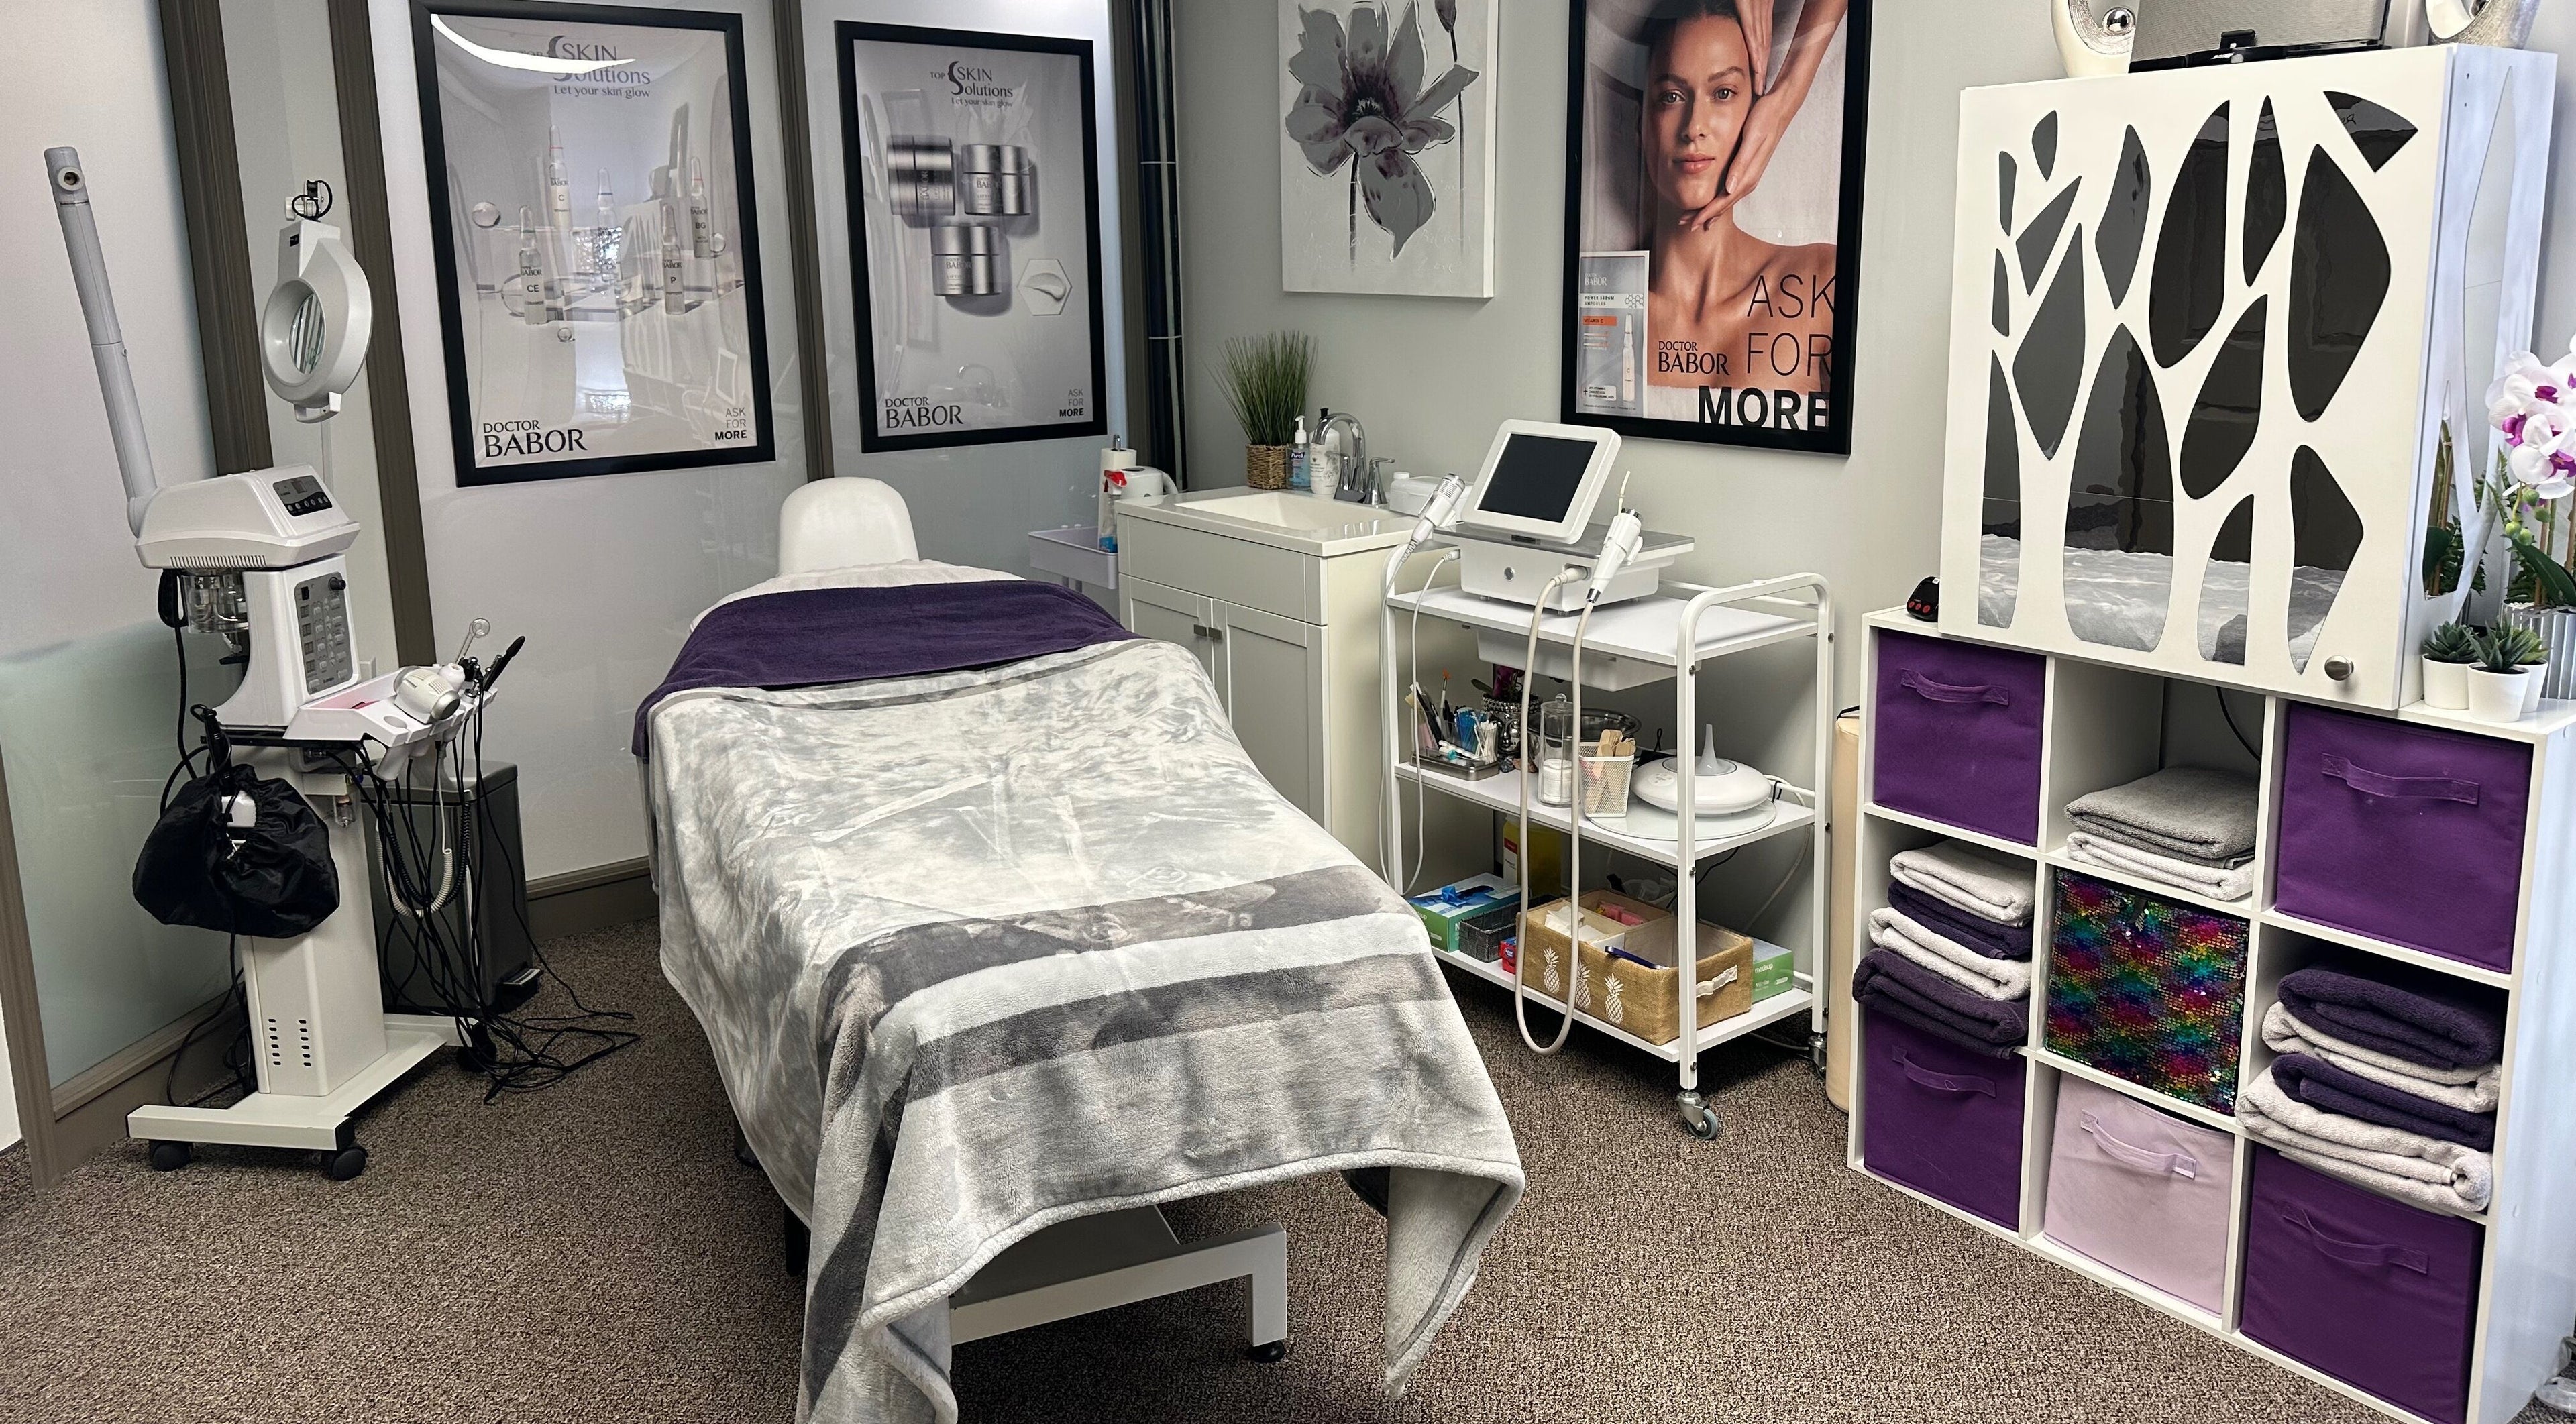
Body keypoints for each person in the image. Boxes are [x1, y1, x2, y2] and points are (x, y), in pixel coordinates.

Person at [1638, 0, 1848, 425]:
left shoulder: (1824, 281)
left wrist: (1788, 94)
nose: (1694, 126)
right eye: (1671, 97)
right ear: (1642, 121)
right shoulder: (1603, 304)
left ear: (1756, 116)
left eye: (1723, 93)